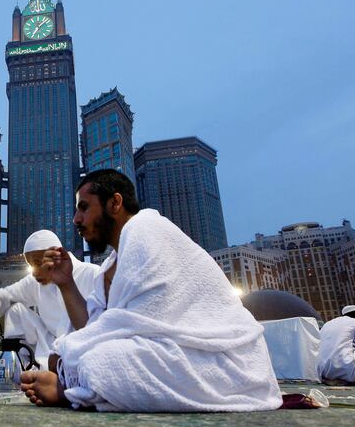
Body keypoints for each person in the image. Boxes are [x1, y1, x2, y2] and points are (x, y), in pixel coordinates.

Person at [20, 169, 282, 412]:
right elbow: (95, 327)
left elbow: (140, 321)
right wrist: (66, 284)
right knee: (84, 357)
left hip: (223, 358)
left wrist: (69, 357)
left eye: (84, 208)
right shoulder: (110, 264)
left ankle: (69, 390)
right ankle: (79, 385)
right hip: (172, 351)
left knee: (96, 362)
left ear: (115, 203)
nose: (76, 219)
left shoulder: (147, 231)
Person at [0, 230, 98, 367]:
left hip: (86, 351)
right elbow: (5, 296)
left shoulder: (92, 274)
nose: (34, 271)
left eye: (36, 262)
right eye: (30, 265)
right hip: (50, 349)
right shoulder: (37, 281)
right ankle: (21, 368)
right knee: (15, 309)